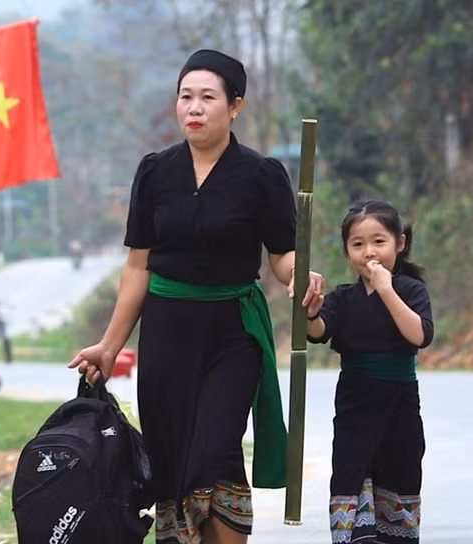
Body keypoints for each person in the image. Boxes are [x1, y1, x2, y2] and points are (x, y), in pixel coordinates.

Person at [68, 49, 324, 544]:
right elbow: (138, 267)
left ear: (235, 106)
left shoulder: (261, 175)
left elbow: (284, 255)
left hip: (233, 332)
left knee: (215, 450)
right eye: (186, 97)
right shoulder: (155, 173)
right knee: (173, 458)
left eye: (208, 97)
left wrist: (302, 274)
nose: (194, 107)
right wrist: (110, 344)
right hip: (166, 335)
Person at [305, 199, 434, 544]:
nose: (369, 252)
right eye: (358, 244)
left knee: (399, 480)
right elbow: (318, 332)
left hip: (400, 408)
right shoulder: (344, 297)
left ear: (400, 243)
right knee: (351, 482)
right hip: (354, 408)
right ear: (347, 251)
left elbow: (419, 335)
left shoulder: (411, 290)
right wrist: (311, 312)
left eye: (379, 241)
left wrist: (386, 289)